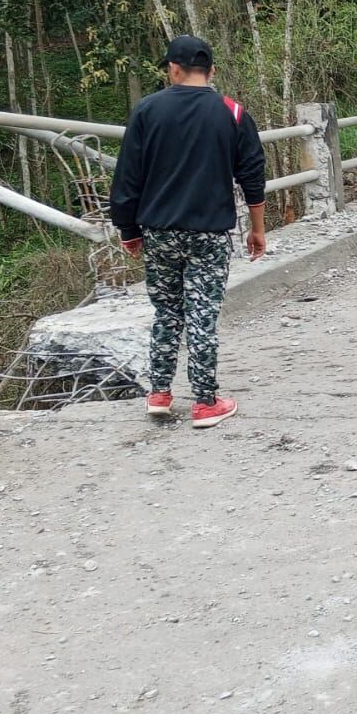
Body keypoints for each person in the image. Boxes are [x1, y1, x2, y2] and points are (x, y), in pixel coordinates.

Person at [109, 34, 267, 430]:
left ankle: (160, 393)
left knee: (167, 311)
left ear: (173, 69)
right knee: (202, 314)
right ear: (212, 71)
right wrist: (257, 229)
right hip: (208, 233)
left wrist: (128, 228)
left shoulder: (147, 110)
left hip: (159, 231)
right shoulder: (232, 112)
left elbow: (127, 176)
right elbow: (252, 175)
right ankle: (205, 401)